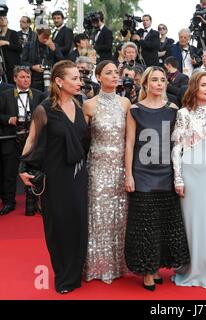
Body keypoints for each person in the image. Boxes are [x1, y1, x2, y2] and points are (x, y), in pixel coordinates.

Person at [19, 60, 89, 293]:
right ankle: (64, 276)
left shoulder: (79, 106)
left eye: (79, 78)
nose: (79, 82)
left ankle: (76, 271)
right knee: (59, 226)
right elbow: (31, 139)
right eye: (74, 78)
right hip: (55, 177)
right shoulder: (44, 108)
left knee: (78, 223)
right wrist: (22, 168)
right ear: (59, 81)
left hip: (78, 175)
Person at [124, 66, 190, 291]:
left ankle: (156, 266)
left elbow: (178, 143)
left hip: (167, 172)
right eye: (155, 80)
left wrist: (179, 174)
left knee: (163, 223)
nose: (160, 84)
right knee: (146, 225)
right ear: (145, 83)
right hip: (142, 173)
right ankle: (147, 271)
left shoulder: (173, 109)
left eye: (163, 80)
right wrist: (129, 175)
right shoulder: (135, 109)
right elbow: (130, 143)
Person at [171, 71, 206, 288]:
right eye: (203, 85)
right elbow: (177, 147)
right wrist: (178, 178)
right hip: (190, 169)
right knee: (191, 221)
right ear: (194, 87)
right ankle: (191, 268)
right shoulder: (183, 113)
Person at [82, 61, 130, 283]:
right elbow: (82, 139)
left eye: (116, 73)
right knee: (98, 216)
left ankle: (119, 264)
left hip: (120, 166)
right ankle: (97, 266)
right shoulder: (89, 105)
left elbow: (130, 140)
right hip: (98, 167)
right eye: (108, 73)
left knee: (120, 215)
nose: (114, 76)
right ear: (98, 77)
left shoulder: (126, 103)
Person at [0, 66, 45, 216]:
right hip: (11, 138)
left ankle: (36, 202)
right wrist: (9, 119)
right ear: (14, 78)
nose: (26, 80)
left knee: (35, 171)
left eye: (28, 77)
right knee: (9, 172)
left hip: (32, 139)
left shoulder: (39, 95)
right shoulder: (5, 95)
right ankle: (8, 202)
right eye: (22, 77)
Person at [0, 15, 22, 84]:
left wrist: (7, 43)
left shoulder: (13, 33)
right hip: (2, 65)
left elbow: (19, 48)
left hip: (13, 65)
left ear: (7, 21)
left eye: (4, 18)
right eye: (0, 18)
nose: (2, 20)